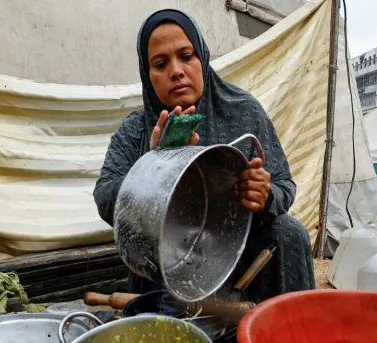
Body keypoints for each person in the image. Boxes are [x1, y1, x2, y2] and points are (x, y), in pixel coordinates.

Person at [94, 9, 316, 303]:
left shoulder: (243, 111)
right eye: (160, 63)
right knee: (148, 251)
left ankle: (284, 335)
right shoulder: (135, 130)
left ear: (203, 58)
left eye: (186, 56)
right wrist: (154, 166)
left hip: (238, 254)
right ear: (148, 76)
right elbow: (105, 198)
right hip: (173, 257)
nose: (176, 71)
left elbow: (284, 184)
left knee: (289, 232)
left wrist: (264, 194)